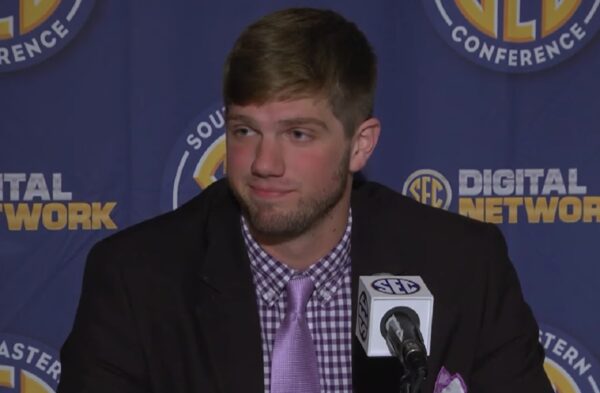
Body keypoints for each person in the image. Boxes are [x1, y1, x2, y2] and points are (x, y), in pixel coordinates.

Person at [58, 7, 553, 393]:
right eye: (245, 131)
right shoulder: (136, 279)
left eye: (297, 133)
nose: (264, 163)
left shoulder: (461, 266)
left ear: (360, 144)